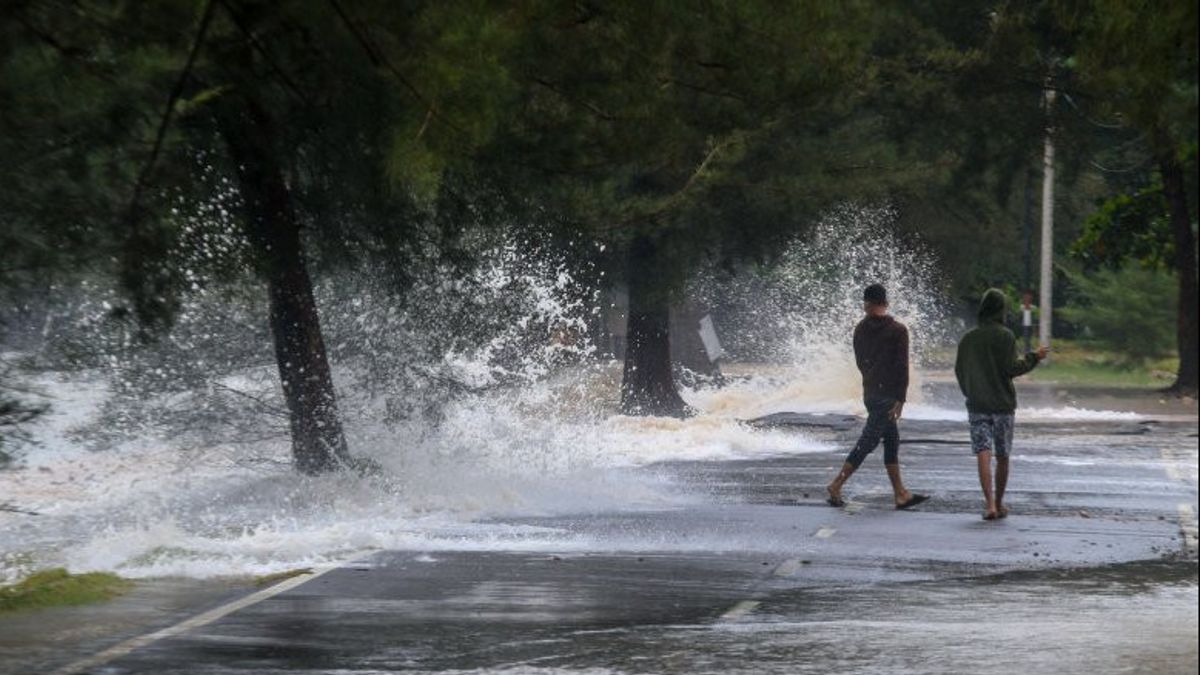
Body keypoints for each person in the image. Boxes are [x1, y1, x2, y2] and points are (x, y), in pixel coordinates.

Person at [826, 284, 928, 510]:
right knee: (868, 441)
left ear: (867, 303)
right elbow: (902, 367)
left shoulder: (860, 329)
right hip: (888, 396)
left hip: (871, 392)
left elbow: (860, 362)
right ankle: (836, 484)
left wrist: (871, 381)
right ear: (885, 303)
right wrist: (900, 398)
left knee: (891, 441)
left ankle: (901, 493)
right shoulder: (898, 330)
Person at [954, 288, 1048, 520]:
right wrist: (1034, 356)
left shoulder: (968, 338)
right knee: (1002, 455)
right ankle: (999, 502)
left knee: (982, 453)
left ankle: (989, 505)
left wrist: (970, 392)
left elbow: (959, 371)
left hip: (977, 405)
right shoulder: (1005, 336)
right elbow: (1012, 368)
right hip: (1002, 405)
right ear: (1001, 310)